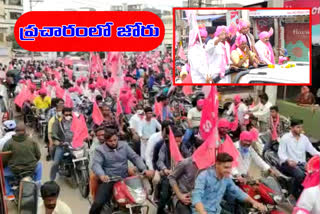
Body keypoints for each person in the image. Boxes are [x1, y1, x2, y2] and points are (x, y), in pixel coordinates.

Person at [89, 129, 154, 214]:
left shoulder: (124, 145)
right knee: (98, 203)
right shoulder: (99, 150)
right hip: (109, 180)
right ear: (105, 141)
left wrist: (144, 169)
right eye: (110, 141)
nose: (113, 143)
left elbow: (135, 157)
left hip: (125, 179)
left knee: (139, 199)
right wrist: (102, 175)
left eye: (115, 140)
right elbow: (96, 164)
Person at [192, 153, 267, 214]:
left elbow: (237, 192)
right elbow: (196, 198)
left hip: (217, 210)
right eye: (226, 167)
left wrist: (254, 202)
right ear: (217, 164)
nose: (229, 171)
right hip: (201, 211)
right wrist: (203, 212)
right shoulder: (204, 176)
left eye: (230, 167)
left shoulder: (226, 178)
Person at [278, 119, 320, 199]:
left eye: (301, 127)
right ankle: (294, 194)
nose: (300, 129)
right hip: (287, 163)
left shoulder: (304, 138)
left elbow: (312, 150)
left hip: (302, 163)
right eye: (298, 127)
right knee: (300, 175)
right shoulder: (285, 138)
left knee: (314, 174)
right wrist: (288, 160)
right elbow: (281, 153)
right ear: (291, 128)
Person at [2, 122, 42, 199]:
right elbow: (38, 156)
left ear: (15, 131)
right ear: (25, 131)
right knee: (39, 165)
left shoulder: (8, 143)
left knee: (3, 174)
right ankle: (38, 187)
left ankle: (9, 194)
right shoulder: (32, 142)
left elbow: (4, 160)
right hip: (31, 170)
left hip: (15, 171)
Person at [156, 128, 190, 214]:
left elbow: (189, 157)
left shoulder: (183, 146)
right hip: (168, 174)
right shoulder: (165, 146)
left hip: (181, 174)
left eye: (179, 141)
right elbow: (159, 161)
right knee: (164, 196)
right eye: (176, 142)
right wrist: (165, 169)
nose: (178, 144)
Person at [50, 107, 74, 181]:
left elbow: (81, 129)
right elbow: (54, 133)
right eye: (66, 115)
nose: (68, 116)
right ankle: (52, 180)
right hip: (62, 145)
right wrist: (58, 141)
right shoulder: (57, 123)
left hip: (74, 145)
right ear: (63, 114)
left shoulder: (75, 121)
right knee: (55, 163)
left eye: (69, 114)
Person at [89, 127, 105, 200]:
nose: (102, 137)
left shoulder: (111, 141)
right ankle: (94, 199)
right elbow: (94, 164)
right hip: (100, 169)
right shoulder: (94, 148)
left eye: (103, 134)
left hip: (113, 167)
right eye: (100, 135)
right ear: (96, 136)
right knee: (93, 177)